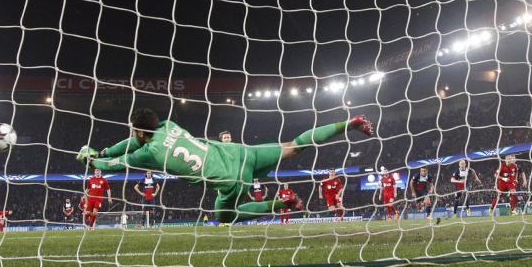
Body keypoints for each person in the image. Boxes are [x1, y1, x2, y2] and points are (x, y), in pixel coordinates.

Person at [77, 108, 373, 224]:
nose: (132, 137)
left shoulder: (148, 154)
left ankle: (283, 203)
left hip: (231, 179)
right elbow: (131, 143)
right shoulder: (168, 124)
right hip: (241, 153)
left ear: (141, 133)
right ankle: (350, 122)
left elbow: (117, 161)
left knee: (226, 216)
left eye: (134, 132)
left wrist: (93, 158)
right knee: (293, 145)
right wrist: (103, 149)